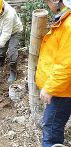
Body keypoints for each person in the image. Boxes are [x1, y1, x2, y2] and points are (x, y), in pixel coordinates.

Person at [35, 0, 71, 146]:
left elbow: (66, 64)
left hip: (62, 90)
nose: (47, 6)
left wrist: (50, 87)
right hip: (62, 87)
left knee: (51, 132)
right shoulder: (63, 21)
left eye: (47, 2)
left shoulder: (68, 26)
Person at [0, 0, 23, 82]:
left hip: (15, 32)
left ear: (2, 7)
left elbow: (6, 34)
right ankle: (0, 61)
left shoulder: (9, 14)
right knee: (2, 47)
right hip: (4, 30)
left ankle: (13, 71)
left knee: (12, 50)